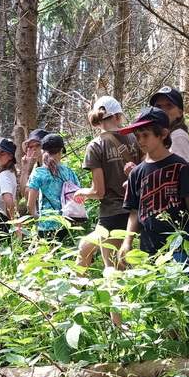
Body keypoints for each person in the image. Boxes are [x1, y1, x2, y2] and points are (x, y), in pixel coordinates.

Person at [117, 107, 189, 275]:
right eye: (137, 136)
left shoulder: (179, 166)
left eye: (145, 135)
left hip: (181, 245)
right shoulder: (136, 173)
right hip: (149, 249)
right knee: (154, 291)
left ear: (163, 134)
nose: (140, 141)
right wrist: (127, 242)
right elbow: (134, 212)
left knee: (184, 289)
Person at [73, 96, 142, 270]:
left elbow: (99, 192)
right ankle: (74, 286)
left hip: (112, 213)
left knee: (113, 271)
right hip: (138, 210)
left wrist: (81, 192)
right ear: (118, 115)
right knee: (85, 247)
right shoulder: (137, 138)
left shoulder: (96, 145)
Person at [25, 133, 82, 240]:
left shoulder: (39, 173)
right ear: (61, 151)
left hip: (47, 223)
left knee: (43, 250)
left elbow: (30, 204)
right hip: (67, 222)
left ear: (43, 151)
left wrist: (37, 218)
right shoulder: (69, 172)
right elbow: (79, 195)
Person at [148, 85, 189, 162]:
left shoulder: (177, 135)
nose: (162, 110)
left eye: (169, 105)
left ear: (179, 113)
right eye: (158, 106)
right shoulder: (161, 136)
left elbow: (180, 168)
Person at [18, 128, 49, 201]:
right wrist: (25, 169)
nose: (34, 149)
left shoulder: (52, 167)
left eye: (38, 145)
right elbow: (25, 192)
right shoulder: (36, 167)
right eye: (30, 146)